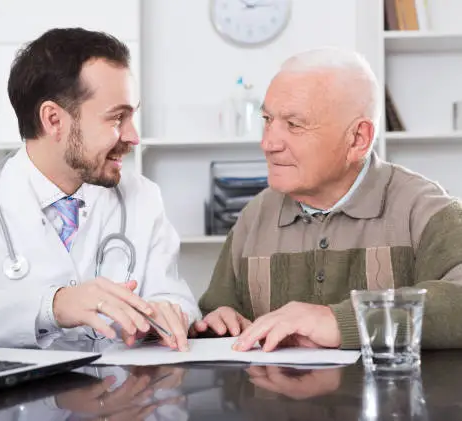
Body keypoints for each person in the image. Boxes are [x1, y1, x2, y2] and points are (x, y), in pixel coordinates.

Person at [0, 27, 199, 350]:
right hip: (15, 399)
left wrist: (168, 313)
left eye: (132, 117)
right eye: (117, 119)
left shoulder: (143, 197)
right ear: (53, 120)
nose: (133, 136)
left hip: (121, 396)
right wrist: (53, 306)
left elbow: (176, 296)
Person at [193, 46, 462, 352]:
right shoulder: (253, 217)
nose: (267, 143)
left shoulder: (427, 210)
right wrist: (217, 322)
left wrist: (344, 321)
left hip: (395, 400)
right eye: (268, 119)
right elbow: (214, 313)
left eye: (294, 125)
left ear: (357, 139)